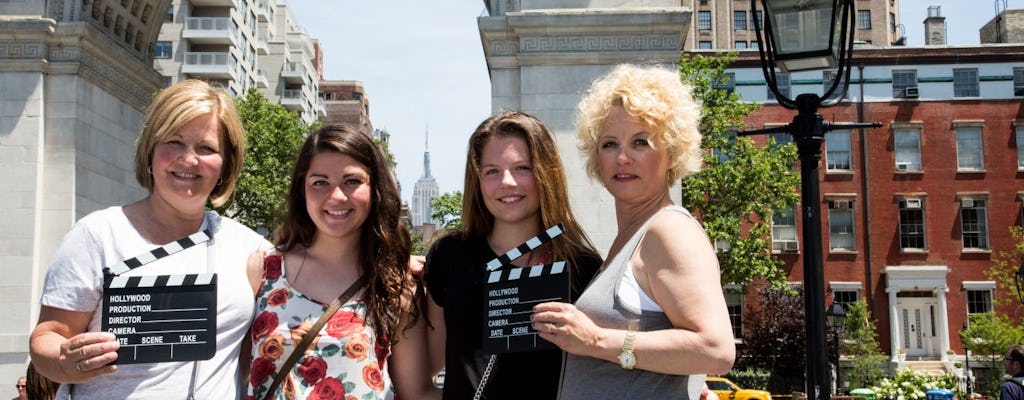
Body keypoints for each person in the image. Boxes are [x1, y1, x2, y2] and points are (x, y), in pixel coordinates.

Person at [29, 79, 273, 399]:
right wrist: (67, 360)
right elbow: (48, 337)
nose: (188, 159)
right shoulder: (97, 235)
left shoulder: (251, 249)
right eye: (174, 141)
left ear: (226, 164)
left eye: (206, 148)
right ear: (150, 149)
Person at [530, 63, 736, 399]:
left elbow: (716, 349)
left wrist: (595, 340)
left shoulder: (669, 231)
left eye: (640, 142)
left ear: (671, 152)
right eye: (610, 144)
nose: (622, 157)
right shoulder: (631, 237)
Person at [246, 125, 438, 400]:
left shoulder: (395, 283)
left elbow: (417, 393)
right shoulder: (261, 270)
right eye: (320, 182)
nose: (336, 196)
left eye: (352, 181)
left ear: (375, 189)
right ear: (302, 189)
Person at [424, 111, 603, 399]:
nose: (507, 182)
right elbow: (429, 365)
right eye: (492, 171)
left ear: (546, 173)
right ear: (478, 180)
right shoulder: (448, 255)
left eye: (522, 168)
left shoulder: (583, 267)